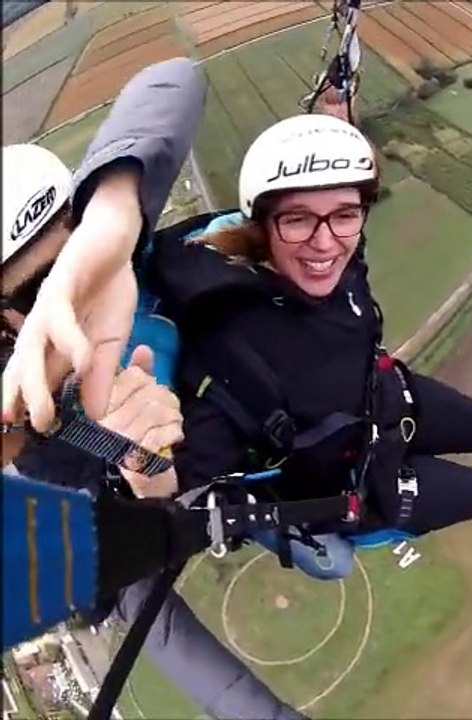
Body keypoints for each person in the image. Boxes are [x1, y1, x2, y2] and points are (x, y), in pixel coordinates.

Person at [2, 60, 305, 720]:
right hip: (118, 513)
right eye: (33, 291)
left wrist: (111, 220)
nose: (64, 299)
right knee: (165, 628)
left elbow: (173, 81)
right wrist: (141, 477)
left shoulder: (118, 257)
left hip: (220, 422)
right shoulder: (25, 415)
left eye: (67, 264)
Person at [150, 113, 472, 553]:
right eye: (297, 219)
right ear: (261, 225)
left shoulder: (344, 266)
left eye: (345, 215)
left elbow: (344, 232)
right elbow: (194, 488)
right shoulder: (230, 338)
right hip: (366, 481)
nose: (325, 243)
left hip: (388, 397)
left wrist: (339, 122)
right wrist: (154, 476)